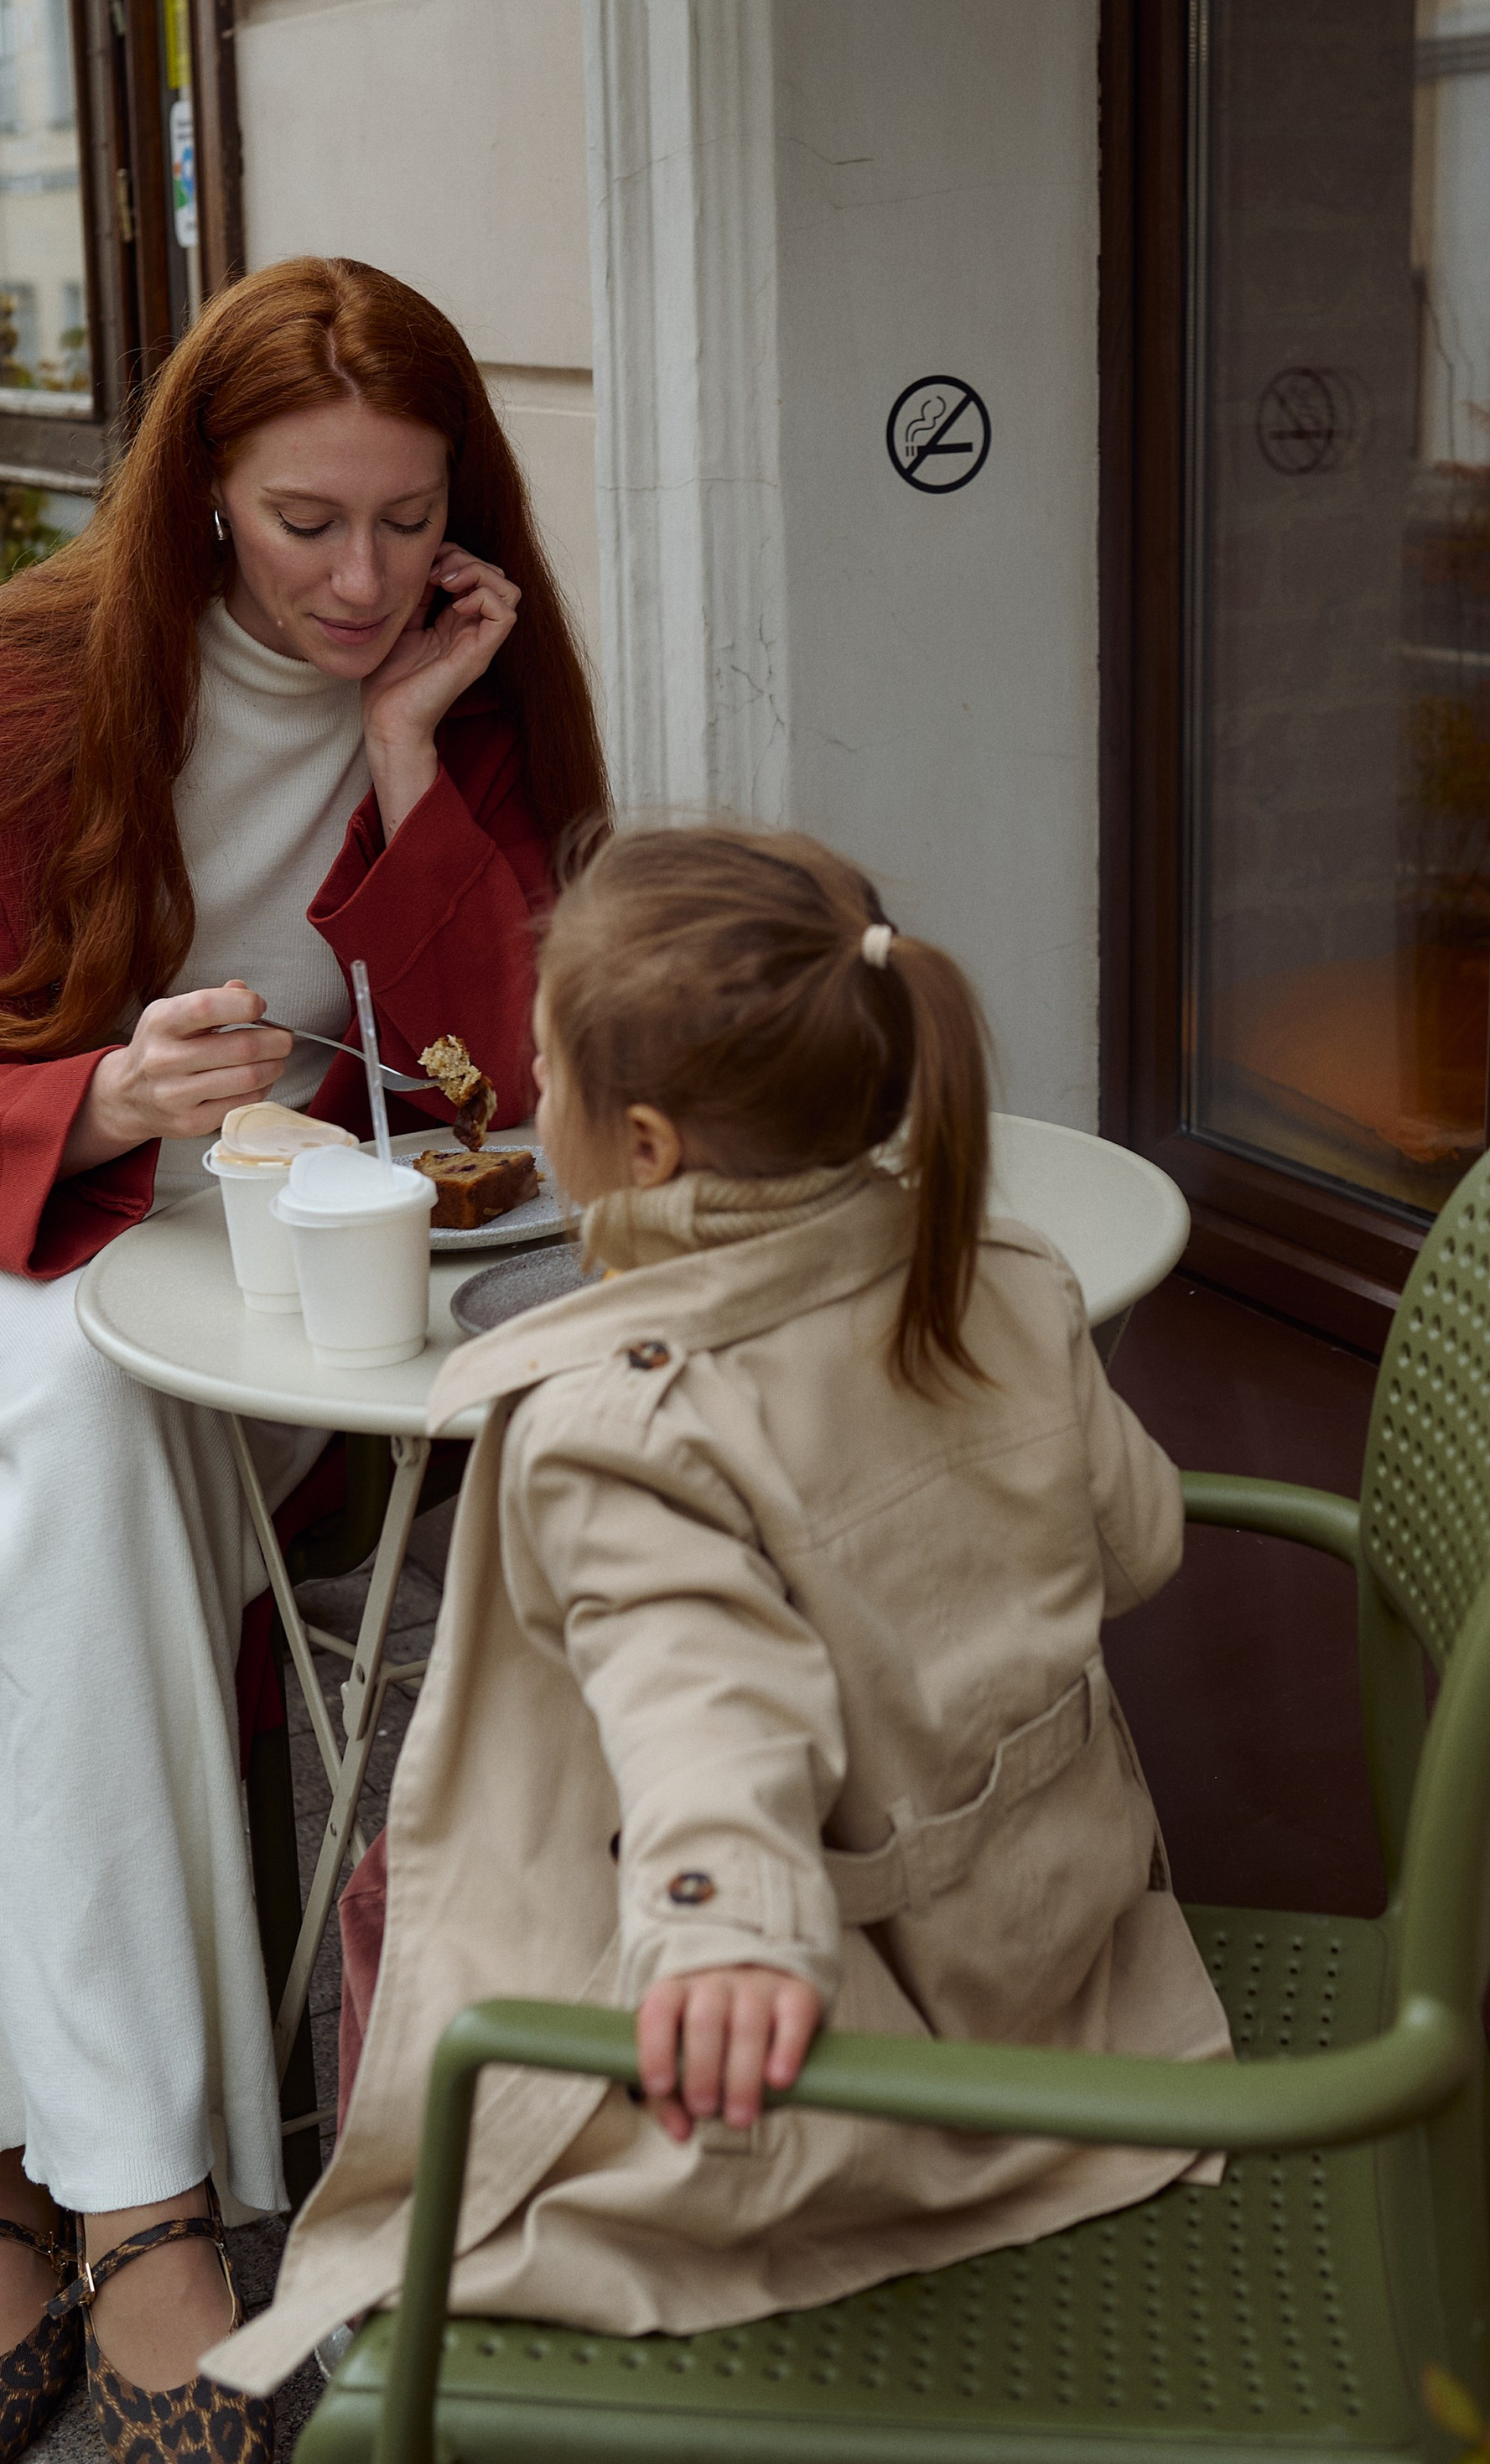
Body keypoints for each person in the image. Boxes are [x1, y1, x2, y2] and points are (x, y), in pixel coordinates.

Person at [215, 828, 1230, 2392]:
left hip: (843, 2046)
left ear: (642, 1145)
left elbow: (708, 1692)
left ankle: (394, 2307)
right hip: (1059, 1958)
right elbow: (1143, 1540)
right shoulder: (1009, 1272)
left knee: (398, 1889)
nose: (525, 1098)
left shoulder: (629, 1417)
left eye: (540, 1071)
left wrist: (729, 1931)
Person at [0, 258, 606, 2464]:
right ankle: (151, 2212)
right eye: (307, 520)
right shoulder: (25, 694)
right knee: (43, 1407)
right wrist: (98, 1106)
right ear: (203, 495)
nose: (362, 575)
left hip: (230, 1283)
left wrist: (408, 774)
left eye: (409, 517)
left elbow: (492, 1107)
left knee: (23, 1488)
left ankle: (0, 2186)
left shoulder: (468, 692)